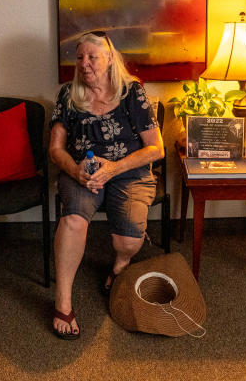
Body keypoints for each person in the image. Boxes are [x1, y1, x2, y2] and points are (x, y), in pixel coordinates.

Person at [49, 31, 164, 339]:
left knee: (126, 242)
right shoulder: (68, 95)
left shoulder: (132, 92)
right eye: (80, 57)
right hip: (82, 174)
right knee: (73, 219)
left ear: (110, 58)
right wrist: (75, 171)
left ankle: (120, 265)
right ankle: (63, 301)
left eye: (92, 57)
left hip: (127, 172)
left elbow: (156, 149)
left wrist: (114, 168)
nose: (84, 63)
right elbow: (55, 149)